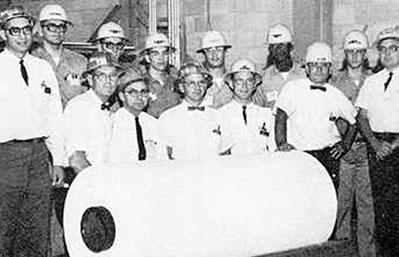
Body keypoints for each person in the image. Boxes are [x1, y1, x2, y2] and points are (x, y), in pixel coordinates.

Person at [0, 5, 64, 256]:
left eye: (26, 29)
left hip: (38, 155)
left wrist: (57, 160)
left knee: (37, 224)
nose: (22, 36)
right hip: (6, 154)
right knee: (4, 223)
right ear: (3, 34)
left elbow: (54, 117)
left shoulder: (42, 68)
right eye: (14, 30)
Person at [274, 42, 357, 191]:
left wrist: (344, 145)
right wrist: (281, 143)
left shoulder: (336, 95)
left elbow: (354, 122)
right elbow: (281, 116)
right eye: (314, 65)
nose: (319, 69)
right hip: (298, 155)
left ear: (330, 69)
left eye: (324, 65)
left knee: (327, 198)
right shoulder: (292, 88)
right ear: (306, 68)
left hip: (327, 157)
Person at [331, 30, 376, 257]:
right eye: (351, 52)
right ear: (345, 54)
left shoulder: (375, 80)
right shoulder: (335, 83)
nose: (355, 56)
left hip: (367, 151)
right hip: (345, 153)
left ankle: (368, 254)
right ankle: (342, 252)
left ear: (365, 53)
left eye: (359, 51)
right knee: (342, 207)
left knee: (367, 207)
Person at [355, 26, 399, 257]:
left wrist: (392, 145)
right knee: (382, 207)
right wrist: (374, 143)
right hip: (377, 146)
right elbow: (362, 116)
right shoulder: (372, 82)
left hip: (397, 145)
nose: (388, 54)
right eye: (383, 49)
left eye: (393, 49)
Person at [61, 52, 122, 173]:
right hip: (90, 182)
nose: (108, 81)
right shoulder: (79, 107)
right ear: (90, 79)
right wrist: (98, 185)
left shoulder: (109, 109)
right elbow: (76, 160)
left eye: (113, 76)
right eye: (101, 76)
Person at [158, 63, 223, 160]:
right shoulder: (168, 117)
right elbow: (163, 156)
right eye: (191, 83)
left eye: (201, 82)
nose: (197, 87)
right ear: (181, 87)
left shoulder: (217, 116)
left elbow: (225, 153)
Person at [32, 4, 87, 108]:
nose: (57, 31)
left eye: (61, 26)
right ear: (40, 30)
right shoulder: (31, 60)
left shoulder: (80, 62)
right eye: (52, 26)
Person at [219, 58, 275, 155]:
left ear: (254, 85)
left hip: (262, 166)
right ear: (231, 84)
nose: (244, 86)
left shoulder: (266, 114)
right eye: (239, 81)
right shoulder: (220, 115)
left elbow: (273, 148)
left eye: (249, 81)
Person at [110, 68, 164, 165]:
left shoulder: (153, 123)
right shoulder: (112, 123)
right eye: (133, 92)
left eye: (143, 92)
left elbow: (162, 158)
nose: (139, 97)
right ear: (122, 96)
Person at [253, 24, 305, 108]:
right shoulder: (263, 79)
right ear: (269, 50)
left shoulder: (304, 75)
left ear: (290, 47)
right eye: (274, 46)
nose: (278, 49)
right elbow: (257, 110)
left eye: (282, 45)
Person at [140, 32, 181, 118]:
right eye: (155, 54)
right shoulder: (141, 84)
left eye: (164, 53)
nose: (161, 58)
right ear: (147, 58)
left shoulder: (176, 81)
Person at [196, 30, 233, 108]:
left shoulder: (235, 80)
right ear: (204, 54)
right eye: (209, 51)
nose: (214, 54)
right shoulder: (197, 82)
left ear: (225, 51)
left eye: (218, 49)